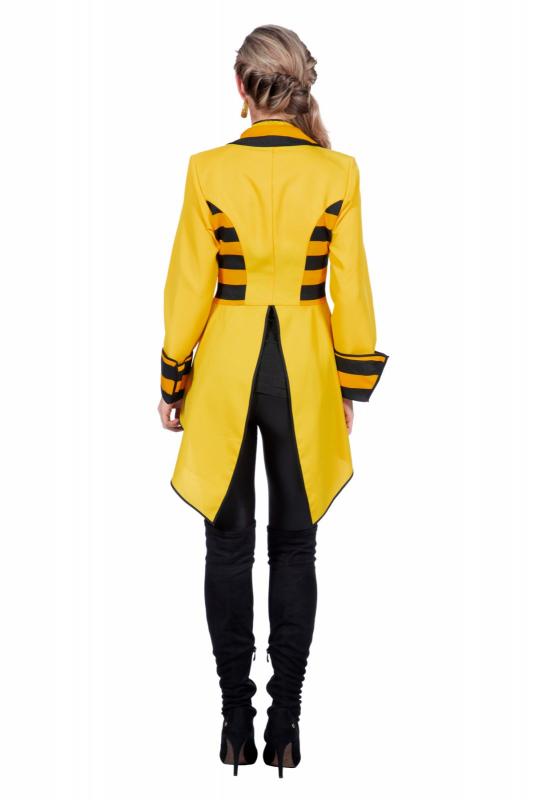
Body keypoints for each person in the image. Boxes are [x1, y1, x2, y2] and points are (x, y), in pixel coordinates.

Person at [157, 24, 389, 778]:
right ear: (297, 88)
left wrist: (172, 376)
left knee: (227, 547)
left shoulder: (207, 170)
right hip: (306, 371)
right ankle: (284, 722)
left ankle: (235, 723)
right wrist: (349, 382)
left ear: (242, 89)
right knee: (295, 545)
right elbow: (351, 286)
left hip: (226, 369)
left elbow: (190, 284)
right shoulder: (339, 172)